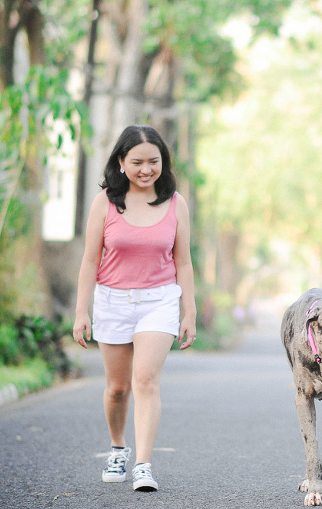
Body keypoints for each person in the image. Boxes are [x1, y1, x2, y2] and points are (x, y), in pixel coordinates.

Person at [73, 124, 197, 492]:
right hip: (112, 300)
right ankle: (118, 448)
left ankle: (143, 464)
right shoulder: (105, 202)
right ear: (121, 162)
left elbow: (184, 261)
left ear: (163, 162)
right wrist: (81, 311)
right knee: (117, 388)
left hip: (159, 300)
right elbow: (90, 260)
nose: (146, 169)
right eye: (137, 162)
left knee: (145, 379)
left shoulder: (176, 203)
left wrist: (189, 311)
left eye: (153, 161)